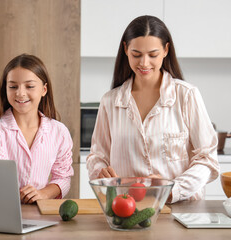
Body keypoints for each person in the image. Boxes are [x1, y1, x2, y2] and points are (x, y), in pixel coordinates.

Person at [86, 16, 219, 203]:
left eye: (153, 55)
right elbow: (97, 156)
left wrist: (172, 189)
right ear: (125, 49)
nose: (144, 63)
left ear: (166, 50)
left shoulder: (186, 95)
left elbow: (208, 160)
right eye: (136, 54)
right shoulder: (110, 101)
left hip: (180, 209)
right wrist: (100, 170)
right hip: (126, 208)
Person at [0, 54, 74, 204]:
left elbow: (63, 178)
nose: (20, 93)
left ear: (44, 89)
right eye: (13, 86)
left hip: (40, 212)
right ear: (5, 89)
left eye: (29, 86)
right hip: (0, 207)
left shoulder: (59, 132)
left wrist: (43, 194)